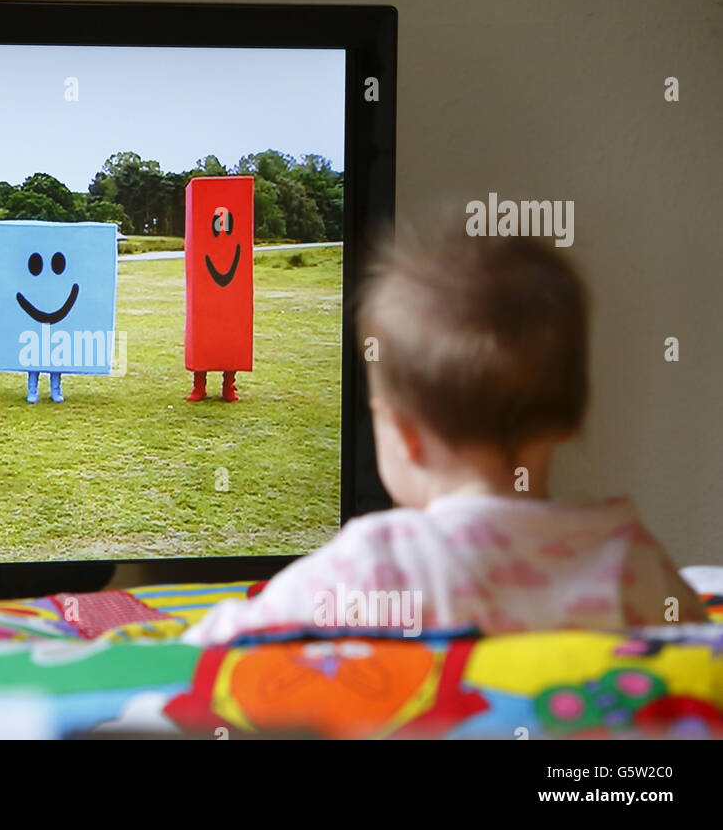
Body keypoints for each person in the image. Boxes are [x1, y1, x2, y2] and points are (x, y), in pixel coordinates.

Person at [184, 226, 708, 645]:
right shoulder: (632, 565)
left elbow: (215, 650)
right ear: (571, 418)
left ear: (406, 436)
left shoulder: (370, 565)